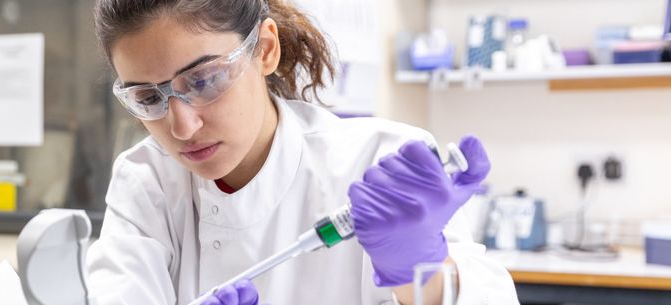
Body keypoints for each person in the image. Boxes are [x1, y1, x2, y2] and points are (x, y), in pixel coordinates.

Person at [85, 0, 518, 304]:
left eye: (202, 80)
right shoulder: (147, 182)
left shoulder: (378, 162)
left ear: (265, 50)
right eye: (147, 98)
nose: (182, 127)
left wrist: (426, 278)